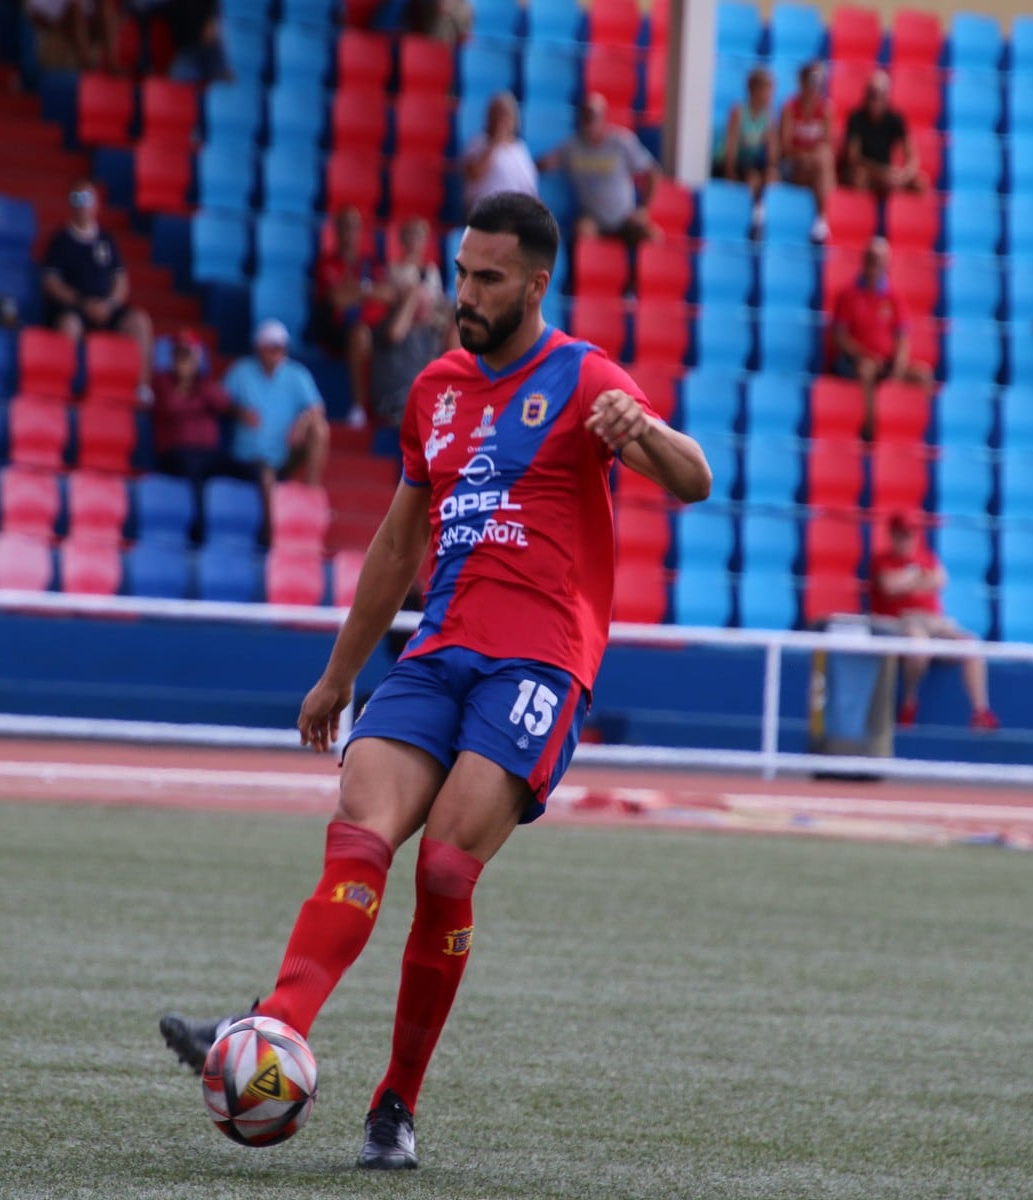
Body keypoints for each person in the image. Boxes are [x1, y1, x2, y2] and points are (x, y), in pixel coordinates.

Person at [158, 191, 711, 1170]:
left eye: (487, 278)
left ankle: (393, 1106)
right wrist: (338, 673)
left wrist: (645, 432)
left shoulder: (584, 379)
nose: (464, 293)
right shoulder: (435, 391)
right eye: (460, 272)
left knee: (446, 870)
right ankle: (274, 1031)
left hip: (540, 660)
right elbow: (397, 540)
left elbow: (694, 478)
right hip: (436, 653)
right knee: (358, 837)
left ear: (536, 285)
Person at [868, 514, 999, 731]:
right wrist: (917, 577)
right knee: (920, 649)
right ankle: (909, 701)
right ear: (892, 536)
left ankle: (980, 711)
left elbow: (940, 580)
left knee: (971, 644)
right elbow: (890, 587)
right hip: (902, 620)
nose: (906, 541)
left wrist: (910, 579)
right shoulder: (882, 560)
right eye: (901, 536)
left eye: (910, 536)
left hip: (934, 622)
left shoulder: (926, 557)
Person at [41, 180, 153, 400]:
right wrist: (83, 303)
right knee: (67, 326)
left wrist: (110, 304)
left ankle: (142, 388)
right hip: (76, 307)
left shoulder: (107, 240)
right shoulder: (60, 241)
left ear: (97, 205)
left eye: (87, 199)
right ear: (70, 204)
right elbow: (51, 284)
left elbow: (121, 281)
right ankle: (68, 385)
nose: (83, 205)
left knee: (140, 321)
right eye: (77, 199)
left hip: (107, 307)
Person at [224, 319, 331, 539]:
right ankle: (271, 535)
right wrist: (239, 412)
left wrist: (302, 422)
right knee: (265, 476)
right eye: (272, 346)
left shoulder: (295, 373)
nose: (277, 352)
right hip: (250, 454)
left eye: (281, 347)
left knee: (319, 429)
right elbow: (221, 402)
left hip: (285, 449)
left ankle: (311, 491)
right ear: (259, 347)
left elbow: (317, 407)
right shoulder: (240, 371)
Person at [829, 238, 932, 438]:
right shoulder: (848, 294)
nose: (875, 265)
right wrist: (864, 355)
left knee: (923, 375)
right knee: (865, 370)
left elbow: (902, 337)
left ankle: (921, 431)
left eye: (880, 260)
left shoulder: (894, 296)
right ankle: (871, 428)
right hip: (855, 361)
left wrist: (897, 369)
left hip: (885, 363)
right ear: (864, 261)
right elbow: (839, 336)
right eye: (872, 259)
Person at [538, 93, 662, 245]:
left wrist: (644, 209)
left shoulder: (621, 141)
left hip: (624, 217)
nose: (589, 121)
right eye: (585, 115)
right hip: (593, 219)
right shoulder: (571, 147)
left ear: (603, 116)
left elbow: (652, 171)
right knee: (582, 230)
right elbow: (545, 163)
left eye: (593, 115)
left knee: (653, 237)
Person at [313, 207, 392, 428]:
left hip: (371, 326)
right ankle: (359, 407)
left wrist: (356, 291)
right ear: (336, 231)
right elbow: (337, 299)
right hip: (335, 329)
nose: (349, 231)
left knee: (397, 334)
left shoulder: (372, 263)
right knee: (360, 334)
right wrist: (368, 291)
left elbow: (388, 294)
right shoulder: (326, 263)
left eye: (354, 226)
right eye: (344, 225)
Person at [371, 219, 455, 427]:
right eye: (419, 302)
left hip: (424, 396)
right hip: (396, 399)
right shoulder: (388, 327)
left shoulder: (432, 334)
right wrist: (410, 299)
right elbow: (395, 334)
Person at [151, 329, 256, 487]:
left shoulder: (204, 381)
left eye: (189, 355)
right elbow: (172, 406)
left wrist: (193, 392)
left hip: (208, 454)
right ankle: (198, 512)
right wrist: (192, 392)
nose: (184, 360)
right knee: (193, 471)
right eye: (180, 353)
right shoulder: (163, 381)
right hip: (176, 454)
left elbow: (222, 401)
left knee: (252, 472)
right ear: (173, 356)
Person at [841, 70, 926, 197]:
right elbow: (854, 158)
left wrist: (903, 175)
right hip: (866, 171)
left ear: (886, 96)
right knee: (859, 178)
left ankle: (901, 215)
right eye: (869, 93)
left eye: (875, 94)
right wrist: (882, 173)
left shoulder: (896, 119)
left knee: (920, 184)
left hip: (887, 173)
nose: (871, 99)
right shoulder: (856, 118)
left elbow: (912, 157)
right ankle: (862, 215)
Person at [717, 67, 779, 234]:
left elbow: (771, 151)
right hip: (737, 161)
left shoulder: (768, 116)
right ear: (754, 90)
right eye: (766, 89)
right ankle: (751, 218)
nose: (769, 94)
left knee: (771, 177)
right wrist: (729, 173)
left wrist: (771, 165)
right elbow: (731, 146)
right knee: (752, 178)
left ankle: (762, 215)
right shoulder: (738, 112)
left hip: (754, 161)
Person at [778, 60, 834, 244]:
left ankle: (821, 218)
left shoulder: (825, 110)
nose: (816, 85)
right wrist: (804, 156)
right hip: (793, 166)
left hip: (813, 168)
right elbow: (785, 147)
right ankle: (822, 217)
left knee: (823, 158)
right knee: (821, 161)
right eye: (812, 80)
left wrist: (811, 157)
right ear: (802, 81)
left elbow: (827, 144)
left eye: (819, 80)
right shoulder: (789, 108)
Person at [461, 92, 539, 215]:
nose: (503, 120)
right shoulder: (478, 143)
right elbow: (474, 173)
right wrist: (495, 143)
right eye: (498, 114)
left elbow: (529, 188)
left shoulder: (520, 148)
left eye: (507, 115)